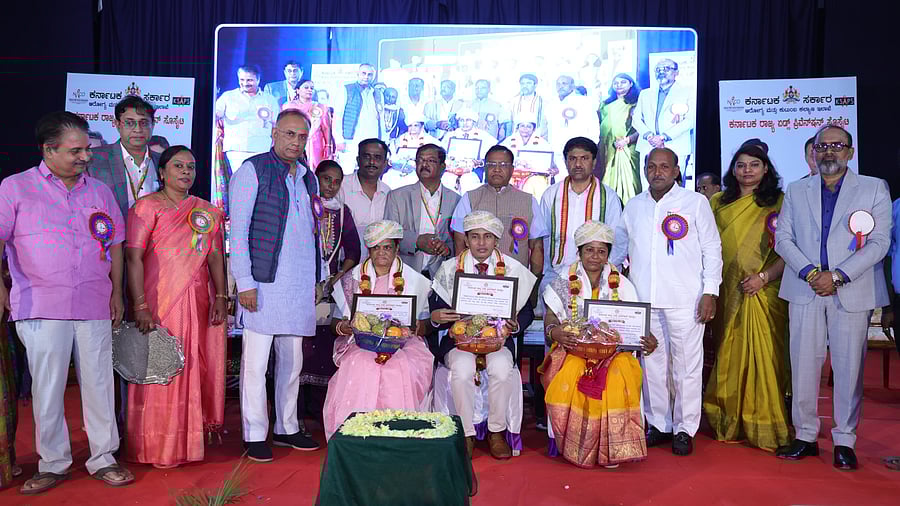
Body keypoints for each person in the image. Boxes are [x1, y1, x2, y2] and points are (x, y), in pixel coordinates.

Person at [0, 111, 134, 493]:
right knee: (48, 385)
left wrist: (116, 293)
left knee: (98, 383)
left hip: (94, 301)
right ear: (49, 150)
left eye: (87, 150)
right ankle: (53, 462)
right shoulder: (15, 187)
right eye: (76, 151)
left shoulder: (100, 191)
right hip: (40, 303)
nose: (85, 157)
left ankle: (103, 457)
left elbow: (117, 245)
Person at [774, 125, 891, 470]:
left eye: (837, 146)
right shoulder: (796, 190)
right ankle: (806, 435)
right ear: (813, 152)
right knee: (803, 364)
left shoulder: (873, 188)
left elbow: (880, 242)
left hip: (851, 289)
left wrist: (837, 276)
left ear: (850, 152)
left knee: (849, 367)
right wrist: (812, 273)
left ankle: (845, 440)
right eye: (822, 146)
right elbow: (783, 239)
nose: (829, 152)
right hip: (805, 287)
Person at [610, 147, 722, 456]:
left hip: (686, 299)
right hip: (644, 299)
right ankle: (659, 423)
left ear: (676, 171)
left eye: (664, 166)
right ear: (644, 170)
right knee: (652, 364)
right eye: (651, 166)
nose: (657, 172)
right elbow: (619, 250)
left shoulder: (695, 203)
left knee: (686, 366)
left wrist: (710, 291)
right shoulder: (633, 206)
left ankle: (685, 428)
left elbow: (712, 249)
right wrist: (610, 285)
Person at [124, 146, 227, 468]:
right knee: (159, 368)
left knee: (191, 366)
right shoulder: (146, 208)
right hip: (158, 302)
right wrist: (139, 304)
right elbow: (133, 258)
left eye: (191, 167)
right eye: (178, 166)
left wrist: (221, 296)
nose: (186, 172)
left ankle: (188, 442)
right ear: (162, 172)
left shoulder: (206, 211)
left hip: (196, 302)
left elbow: (214, 257)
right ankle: (155, 446)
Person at [229, 109, 322, 462]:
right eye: (289, 134)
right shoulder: (252, 170)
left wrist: (315, 280)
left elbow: (311, 233)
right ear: (273, 133)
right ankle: (254, 433)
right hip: (263, 284)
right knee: (254, 364)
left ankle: (286, 426)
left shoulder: (308, 177)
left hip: (298, 285)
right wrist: (245, 283)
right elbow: (238, 233)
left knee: (292, 360)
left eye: (301, 136)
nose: (295, 142)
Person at [540, 221, 656, 468]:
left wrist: (647, 337)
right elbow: (550, 317)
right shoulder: (564, 279)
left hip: (613, 352)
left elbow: (635, 320)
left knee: (620, 372)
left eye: (601, 251)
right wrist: (556, 332)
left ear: (608, 254)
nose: (595, 256)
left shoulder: (621, 283)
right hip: (573, 348)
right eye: (589, 250)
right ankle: (576, 443)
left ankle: (610, 448)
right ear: (579, 252)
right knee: (571, 371)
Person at [702, 144, 790, 452]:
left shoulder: (779, 202)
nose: (747, 170)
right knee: (728, 349)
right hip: (726, 290)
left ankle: (763, 421)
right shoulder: (717, 201)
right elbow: (706, 246)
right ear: (733, 169)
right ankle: (727, 418)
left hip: (766, 291)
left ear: (766, 169)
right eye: (741, 165)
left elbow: (790, 250)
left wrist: (763, 278)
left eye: (754, 165)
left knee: (764, 356)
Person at [430, 211, 537, 459]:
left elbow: (527, 313)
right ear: (465, 240)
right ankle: (466, 434)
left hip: (498, 340)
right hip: (459, 342)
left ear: (496, 241)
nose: (481, 243)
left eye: (487, 237)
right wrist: (437, 318)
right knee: (463, 370)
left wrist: (514, 324)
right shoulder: (449, 269)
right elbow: (434, 310)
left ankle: (496, 432)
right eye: (475, 237)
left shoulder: (511, 269)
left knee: (501, 370)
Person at [322, 220, 434, 439]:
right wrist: (345, 326)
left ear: (396, 249)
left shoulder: (415, 281)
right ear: (369, 250)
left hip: (404, 344)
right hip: (362, 343)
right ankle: (358, 435)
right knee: (361, 364)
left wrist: (419, 327)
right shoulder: (351, 280)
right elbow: (335, 323)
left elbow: (427, 324)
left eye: (387, 247)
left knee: (400, 366)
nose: (382, 252)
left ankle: (398, 433)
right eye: (376, 248)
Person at [301, 160, 361, 412]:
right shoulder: (303, 205)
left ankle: (320, 409)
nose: (331, 185)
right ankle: (296, 411)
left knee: (325, 344)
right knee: (300, 346)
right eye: (326, 179)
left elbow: (354, 251)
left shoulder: (342, 211)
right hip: (302, 285)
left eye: (336, 181)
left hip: (331, 288)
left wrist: (339, 275)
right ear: (316, 179)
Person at [451, 145, 547, 276]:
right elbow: (459, 243)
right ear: (485, 167)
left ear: (512, 169)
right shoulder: (469, 198)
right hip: (475, 281)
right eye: (491, 164)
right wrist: (462, 278)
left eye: (503, 164)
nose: (496, 169)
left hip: (517, 279)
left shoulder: (529, 201)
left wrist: (533, 285)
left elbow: (537, 247)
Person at [542, 137, 623, 277]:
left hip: (596, 277)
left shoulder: (609, 197)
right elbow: (543, 239)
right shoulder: (551, 195)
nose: (578, 164)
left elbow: (618, 241)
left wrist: (602, 274)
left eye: (584, 158)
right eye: (572, 158)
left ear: (594, 162)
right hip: (556, 274)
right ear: (566, 162)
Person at [384, 144, 461, 277]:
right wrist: (417, 241)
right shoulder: (397, 196)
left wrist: (447, 249)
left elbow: (459, 240)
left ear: (443, 166)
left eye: (430, 160)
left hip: (441, 274)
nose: (424, 164)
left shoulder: (455, 199)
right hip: (405, 273)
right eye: (420, 160)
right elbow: (389, 235)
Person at [88, 96, 162, 222]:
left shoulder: (163, 162)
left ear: (153, 125)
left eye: (144, 123)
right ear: (117, 124)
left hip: (155, 239)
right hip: (109, 238)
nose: (138, 129)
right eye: (129, 122)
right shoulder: (93, 160)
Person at [633, 60, 695, 175]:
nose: (661, 72)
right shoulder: (645, 94)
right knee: (647, 184)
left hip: (675, 144)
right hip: (648, 144)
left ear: (676, 72)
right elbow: (636, 119)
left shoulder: (688, 92)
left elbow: (690, 120)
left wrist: (663, 137)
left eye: (666, 68)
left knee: (675, 184)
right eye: (658, 69)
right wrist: (649, 136)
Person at [215, 64, 280, 172]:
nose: (245, 83)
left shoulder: (269, 99)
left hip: (262, 149)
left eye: (249, 80)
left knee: (260, 183)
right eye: (242, 79)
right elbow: (215, 115)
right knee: (241, 182)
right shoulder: (228, 96)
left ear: (258, 79)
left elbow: (276, 124)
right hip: (236, 150)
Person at [337, 138, 391, 261]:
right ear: (358, 160)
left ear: (385, 163)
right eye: (366, 156)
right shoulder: (341, 186)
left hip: (376, 268)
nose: (372, 162)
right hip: (343, 267)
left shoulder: (388, 193)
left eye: (377, 157)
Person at [598, 73, 642, 204]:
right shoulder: (605, 104)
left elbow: (641, 128)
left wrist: (626, 140)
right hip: (607, 146)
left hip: (627, 147)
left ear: (631, 84)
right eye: (616, 83)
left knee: (628, 181)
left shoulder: (636, 103)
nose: (619, 85)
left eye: (623, 82)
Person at [549, 75, 600, 174]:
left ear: (573, 86)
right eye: (558, 84)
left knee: (578, 180)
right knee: (560, 182)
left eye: (564, 84)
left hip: (578, 150)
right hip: (557, 150)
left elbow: (594, 128)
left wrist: (589, 149)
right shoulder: (552, 103)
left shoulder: (584, 102)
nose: (561, 86)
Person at [333, 64, 382, 162]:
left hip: (371, 139)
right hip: (351, 140)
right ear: (357, 74)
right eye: (363, 73)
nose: (366, 77)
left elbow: (381, 120)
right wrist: (339, 140)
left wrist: (382, 141)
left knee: (368, 171)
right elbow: (338, 116)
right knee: (347, 171)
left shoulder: (377, 93)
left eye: (370, 74)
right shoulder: (347, 89)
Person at [500, 113, 556, 200]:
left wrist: (551, 170)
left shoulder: (543, 143)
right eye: (522, 126)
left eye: (528, 126)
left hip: (535, 175)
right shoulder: (508, 141)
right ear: (518, 127)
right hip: (512, 173)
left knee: (536, 184)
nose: (525, 129)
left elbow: (550, 163)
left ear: (533, 129)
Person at [442, 108, 497, 194]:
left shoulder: (484, 136)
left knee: (467, 181)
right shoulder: (450, 135)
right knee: (447, 180)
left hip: (473, 170)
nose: (465, 123)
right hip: (452, 169)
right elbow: (441, 154)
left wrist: (480, 162)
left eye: (468, 120)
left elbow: (493, 155)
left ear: (474, 122)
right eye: (461, 120)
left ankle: (467, 206)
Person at [282, 78, 334, 170]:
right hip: (294, 142)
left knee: (314, 170)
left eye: (312, 88)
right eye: (306, 87)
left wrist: (328, 145)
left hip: (315, 144)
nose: (310, 90)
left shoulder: (320, 107)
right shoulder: (288, 106)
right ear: (298, 90)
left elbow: (326, 128)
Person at [384, 111, 440, 189]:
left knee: (413, 180)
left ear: (422, 127)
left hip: (419, 171)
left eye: (416, 125)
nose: (412, 129)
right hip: (400, 170)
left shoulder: (430, 141)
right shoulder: (400, 139)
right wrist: (400, 164)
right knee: (388, 177)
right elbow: (392, 157)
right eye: (410, 126)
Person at [508, 74, 548, 140]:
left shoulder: (543, 102)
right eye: (522, 83)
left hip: (538, 139)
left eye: (528, 83)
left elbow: (546, 124)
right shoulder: (513, 101)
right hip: (516, 139)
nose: (525, 86)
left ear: (535, 85)